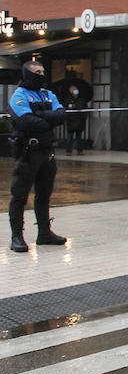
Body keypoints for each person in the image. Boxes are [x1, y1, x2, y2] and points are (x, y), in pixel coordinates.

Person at [8, 60, 67, 253]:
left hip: (47, 152)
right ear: (27, 74)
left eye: (43, 71)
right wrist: (47, 119)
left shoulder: (48, 94)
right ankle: (17, 236)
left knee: (44, 195)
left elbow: (61, 115)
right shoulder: (19, 95)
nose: (41, 74)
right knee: (19, 196)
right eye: (36, 72)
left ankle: (44, 233)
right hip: (27, 153)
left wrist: (41, 115)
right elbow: (25, 121)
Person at [52, 67, 92, 155]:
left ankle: (79, 150)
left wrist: (74, 107)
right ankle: (68, 150)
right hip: (71, 120)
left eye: (75, 89)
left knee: (78, 137)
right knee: (69, 136)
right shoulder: (67, 99)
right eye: (72, 89)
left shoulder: (81, 99)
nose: (74, 91)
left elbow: (81, 107)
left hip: (79, 120)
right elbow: (66, 107)